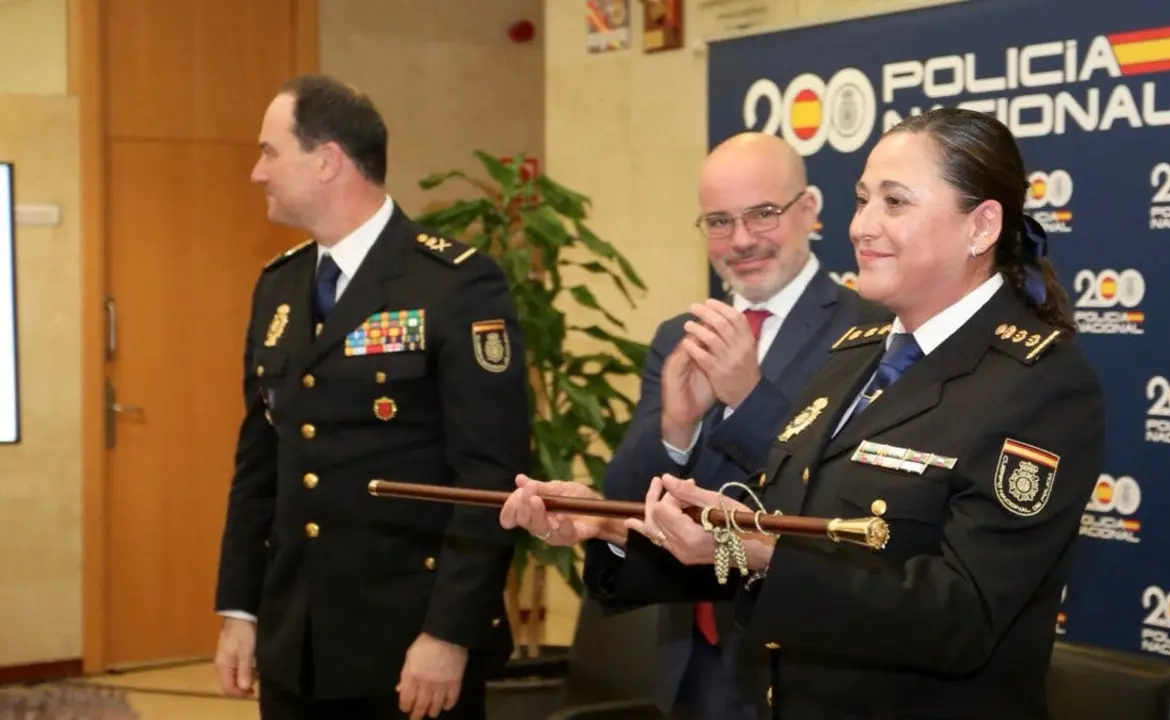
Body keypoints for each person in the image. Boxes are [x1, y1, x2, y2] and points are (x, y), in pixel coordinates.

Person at [500, 107, 1105, 719]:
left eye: (895, 203)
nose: (862, 226)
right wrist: (607, 525)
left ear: (980, 226)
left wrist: (763, 552)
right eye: (863, 199)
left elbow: (962, 616)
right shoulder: (857, 354)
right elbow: (770, 539)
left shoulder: (1039, 384)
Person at [212, 74, 530, 720]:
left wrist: (448, 633)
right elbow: (260, 466)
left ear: (327, 160)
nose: (255, 172)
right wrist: (240, 609)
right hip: (295, 644)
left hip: (408, 647)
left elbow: (488, 478)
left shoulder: (452, 285)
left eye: (270, 152)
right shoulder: (280, 285)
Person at [599, 131, 889, 719]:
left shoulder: (873, 332)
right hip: (692, 656)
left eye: (763, 214)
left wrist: (749, 396)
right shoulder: (680, 335)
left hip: (800, 659)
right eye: (718, 221)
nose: (741, 241)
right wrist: (676, 428)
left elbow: (841, 499)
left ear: (809, 211)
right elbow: (626, 503)